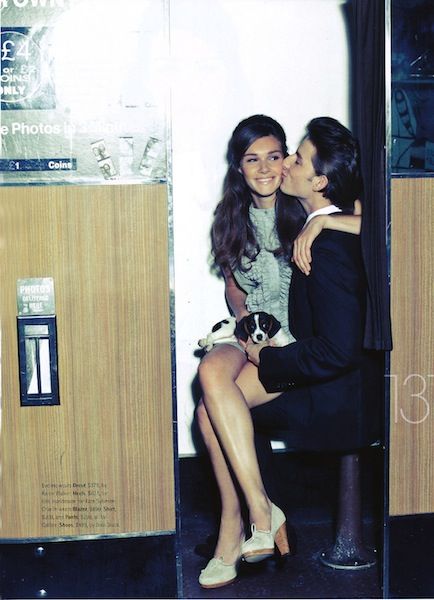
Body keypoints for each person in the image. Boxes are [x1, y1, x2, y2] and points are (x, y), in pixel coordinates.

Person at [196, 115, 363, 589]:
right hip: (253, 332)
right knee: (211, 370)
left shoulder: (301, 207)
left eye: (278, 156)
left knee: (209, 412)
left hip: (291, 342)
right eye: (254, 159)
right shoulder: (230, 217)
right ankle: (260, 511)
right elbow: (233, 286)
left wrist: (329, 220)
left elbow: (386, 213)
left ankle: (239, 523)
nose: (269, 168)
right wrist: (244, 317)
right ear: (239, 167)